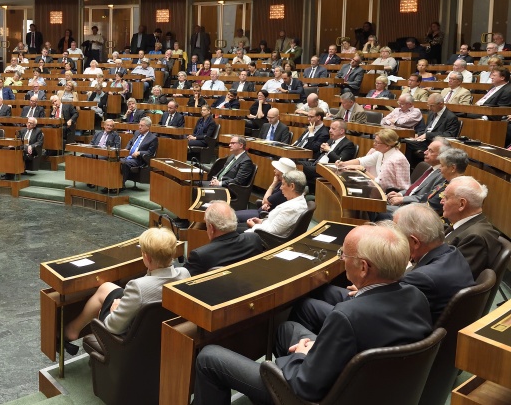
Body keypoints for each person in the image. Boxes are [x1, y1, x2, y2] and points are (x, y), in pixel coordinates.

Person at [193, 223, 432, 405]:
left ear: (363, 267)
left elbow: (305, 387)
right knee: (286, 330)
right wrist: (314, 353)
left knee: (209, 357)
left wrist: (304, 356)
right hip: (373, 387)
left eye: (344, 256)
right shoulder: (416, 297)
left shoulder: (347, 316)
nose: (342, 259)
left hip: (318, 396)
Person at [291, 206, 472, 334]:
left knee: (304, 308)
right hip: (402, 315)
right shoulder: (452, 252)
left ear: (415, 242)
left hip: (383, 325)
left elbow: (386, 300)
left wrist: (365, 291)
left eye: (395, 234)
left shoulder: (423, 278)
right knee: (325, 290)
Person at [63, 227, 188, 354]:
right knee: (105, 288)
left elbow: (113, 327)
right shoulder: (184, 274)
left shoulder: (138, 287)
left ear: (147, 258)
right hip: (162, 331)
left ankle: (72, 331)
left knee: (105, 308)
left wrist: (114, 310)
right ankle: (73, 329)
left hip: (133, 339)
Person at [442, 176, 503, 279]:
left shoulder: (475, 238)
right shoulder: (464, 224)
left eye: (446, 198)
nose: (441, 201)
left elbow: (451, 278)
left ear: (462, 204)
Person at [183, 201, 264, 276]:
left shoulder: (200, 255)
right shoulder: (254, 239)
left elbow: (182, 283)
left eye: (206, 225)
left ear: (211, 228)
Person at [383, 137, 449, 216]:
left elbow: (427, 197)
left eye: (430, 151)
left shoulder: (443, 174)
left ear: (442, 156)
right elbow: (415, 188)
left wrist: (403, 199)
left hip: (413, 209)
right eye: (427, 149)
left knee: (376, 209)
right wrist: (400, 194)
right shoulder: (430, 168)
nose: (425, 152)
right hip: (404, 202)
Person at [337, 128, 410, 192]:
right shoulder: (381, 152)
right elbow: (362, 161)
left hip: (391, 195)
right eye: (374, 141)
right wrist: (343, 163)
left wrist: (363, 170)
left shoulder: (398, 159)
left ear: (387, 145)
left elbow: (381, 183)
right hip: (377, 189)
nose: (374, 144)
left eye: (377, 143)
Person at [244, 170, 308, 236]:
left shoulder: (292, 209)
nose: (281, 187)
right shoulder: (297, 201)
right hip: (263, 227)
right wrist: (261, 221)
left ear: (292, 186)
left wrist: (254, 225)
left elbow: (272, 231)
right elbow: (277, 224)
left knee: (234, 232)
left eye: (283, 184)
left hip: (262, 236)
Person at [404, 93, 460, 167]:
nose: (429, 108)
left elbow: (450, 135)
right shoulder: (431, 113)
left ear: (440, 104)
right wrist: (419, 134)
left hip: (434, 144)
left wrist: (427, 135)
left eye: (432, 106)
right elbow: (428, 129)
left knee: (405, 143)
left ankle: (408, 169)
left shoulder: (451, 117)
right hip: (424, 141)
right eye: (428, 105)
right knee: (403, 140)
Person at [119, 117, 158, 191]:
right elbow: (131, 142)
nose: (139, 127)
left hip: (139, 160)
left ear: (148, 127)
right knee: (114, 161)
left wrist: (140, 153)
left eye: (142, 126)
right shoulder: (137, 133)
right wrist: (126, 149)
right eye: (139, 125)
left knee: (123, 162)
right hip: (128, 156)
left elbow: (150, 152)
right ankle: (111, 183)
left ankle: (121, 184)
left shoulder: (153, 138)